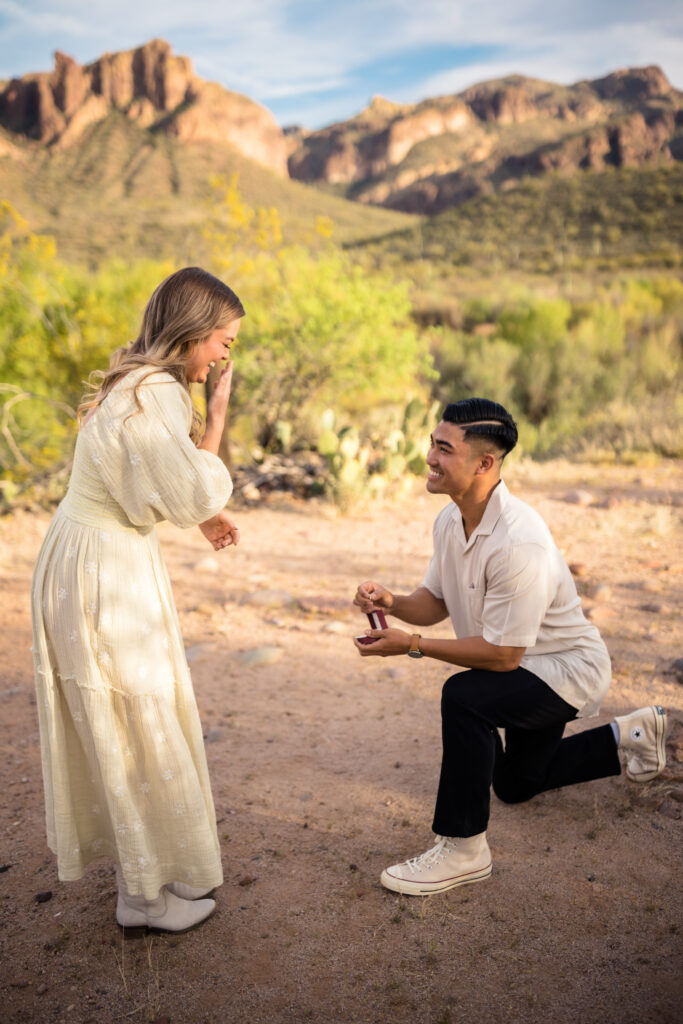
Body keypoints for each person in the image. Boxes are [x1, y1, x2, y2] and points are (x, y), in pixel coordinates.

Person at [353, 397, 667, 896]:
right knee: (516, 784)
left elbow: (503, 657)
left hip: (564, 671)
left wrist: (411, 645)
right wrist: (391, 601)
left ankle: (463, 848)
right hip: (523, 667)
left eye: (443, 449)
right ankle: (630, 737)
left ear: (484, 464)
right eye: (432, 443)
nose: (429, 458)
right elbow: (435, 602)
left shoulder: (520, 541)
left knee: (464, 698)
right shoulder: (450, 520)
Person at [31, 266, 245, 930]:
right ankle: (142, 898)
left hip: (87, 551)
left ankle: (146, 881)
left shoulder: (136, 383)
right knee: (132, 712)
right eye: (223, 342)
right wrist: (216, 419)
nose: (223, 358)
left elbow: (146, 482)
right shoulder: (161, 393)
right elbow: (191, 489)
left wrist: (195, 510)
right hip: (104, 567)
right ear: (191, 334)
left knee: (122, 713)